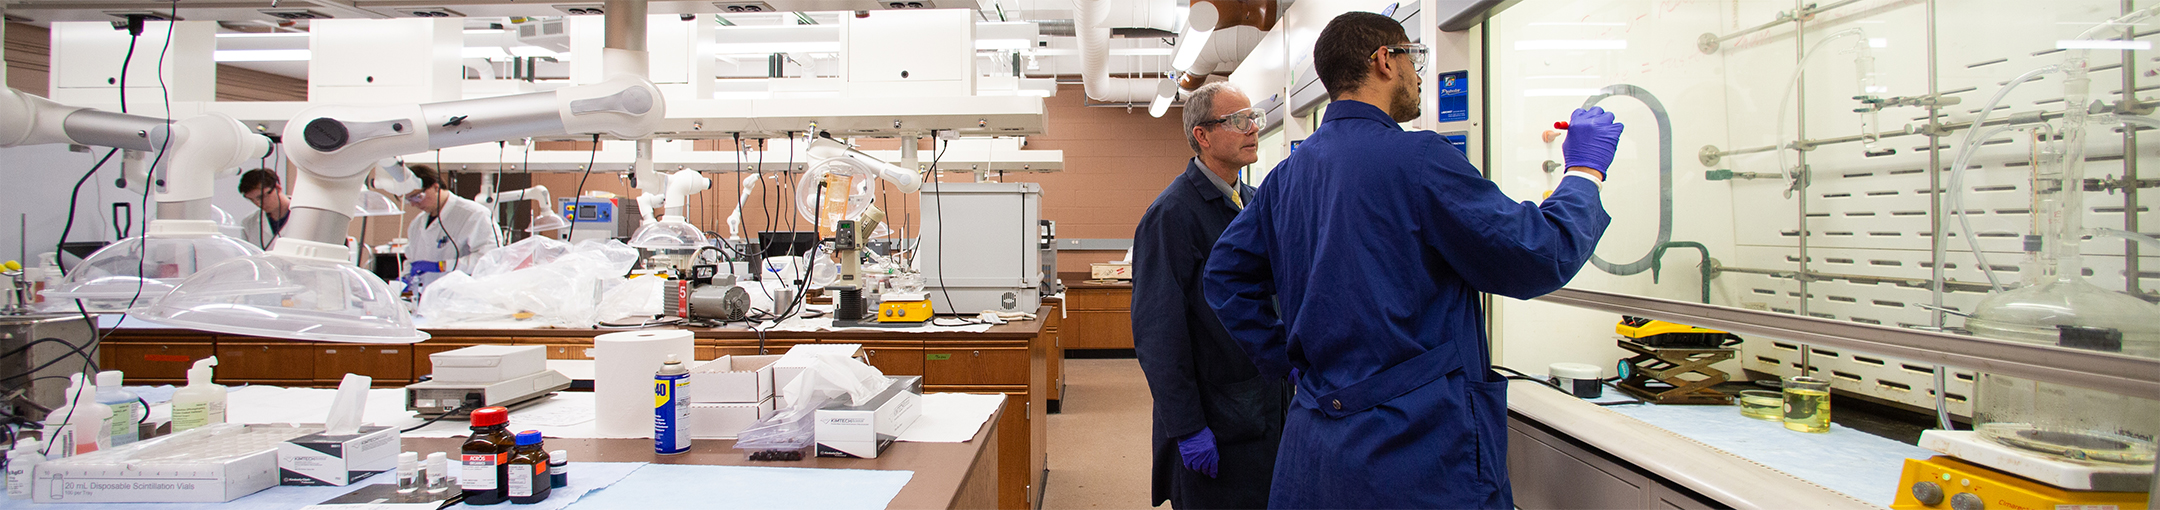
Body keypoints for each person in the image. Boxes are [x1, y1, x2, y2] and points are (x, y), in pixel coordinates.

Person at [1200, 12, 1624, 509]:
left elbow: (1224, 277)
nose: (1419, 75)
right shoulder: (1420, 158)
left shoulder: (1287, 176)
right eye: (1414, 58)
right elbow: (1538, 255)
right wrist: (1584, 173)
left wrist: (1290, 363)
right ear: (1385, 60)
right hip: (1414, 451)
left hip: (1317, 446)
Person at [1132, 82, 1292, 510]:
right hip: (1215, 420)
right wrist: (1187, 428)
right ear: (1202, 136)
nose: (1252, 129)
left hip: (1265, 408)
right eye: (1238, 121)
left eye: (1253, 119)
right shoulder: (1172, 215)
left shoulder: (1255, 203)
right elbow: (1158, 335)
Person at [401, 164, 502, 290]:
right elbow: (411, 258)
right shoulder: (417, 224)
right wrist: (406, 277)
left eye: (417, 197)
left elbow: (490, 260)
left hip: (462, 298)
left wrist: (442, 266)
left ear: (436, 187)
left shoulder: (474, 214)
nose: (413, 204)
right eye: (408, 200)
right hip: (427, 299)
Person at [236, 169, 290, 250]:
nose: (258, 204)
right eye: (252, 200)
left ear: (277, 188)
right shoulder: (249, 223)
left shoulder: (307, 216)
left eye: (261, 197)